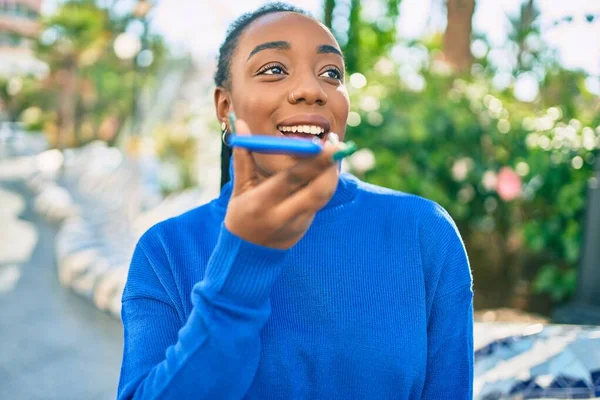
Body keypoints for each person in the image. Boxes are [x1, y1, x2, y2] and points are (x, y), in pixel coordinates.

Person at [117, 2, 474, 399]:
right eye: (274, 69)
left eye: (331, 73)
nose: (311, 90)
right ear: (225, 107)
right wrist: (244, 257)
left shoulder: (424, 232)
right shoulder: (165, 250)